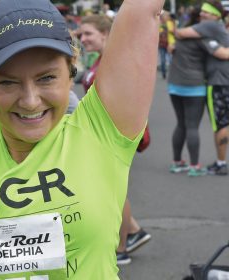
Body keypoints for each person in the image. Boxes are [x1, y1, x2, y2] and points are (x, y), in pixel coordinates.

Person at [0, 0, 163, 279]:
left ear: (70, 74)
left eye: (46, 78)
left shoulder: (101, 133)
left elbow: (143, 9)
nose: (30, 101)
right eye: (7, 82)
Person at [79, 14, 151, 265]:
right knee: (112, 189)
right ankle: (133, 231)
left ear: (105, 33)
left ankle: (121, 247)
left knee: (114, 192)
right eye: (81, 34)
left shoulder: (115, 62)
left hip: (111, 138)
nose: (82, 38)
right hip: (100, 137)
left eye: (87, 33)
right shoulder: (103, 59)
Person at [176, 0, 229, 176]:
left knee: (220, 123)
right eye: (202, 12)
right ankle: (221, 162)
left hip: (218, 82)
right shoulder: (217, 28)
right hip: (223, 80)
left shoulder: (210, 27)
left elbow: (181, 32)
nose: (202, 15)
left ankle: (221, 164)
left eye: (207, 12)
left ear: (216, 15)